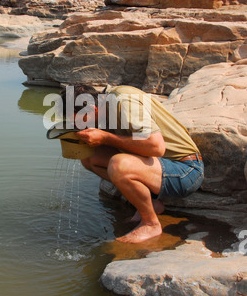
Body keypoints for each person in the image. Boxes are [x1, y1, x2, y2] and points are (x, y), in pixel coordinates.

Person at [60, 84, 204, 244]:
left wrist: (106, 138)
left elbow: (157, 147)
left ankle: (151, 224)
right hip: (157, 166)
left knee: (118, 165)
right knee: (90, 158)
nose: (80, 126)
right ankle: (151, 204)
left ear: (93, 110)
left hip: (185, 170)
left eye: (80, 121)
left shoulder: (124, 102)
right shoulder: (104, 106)